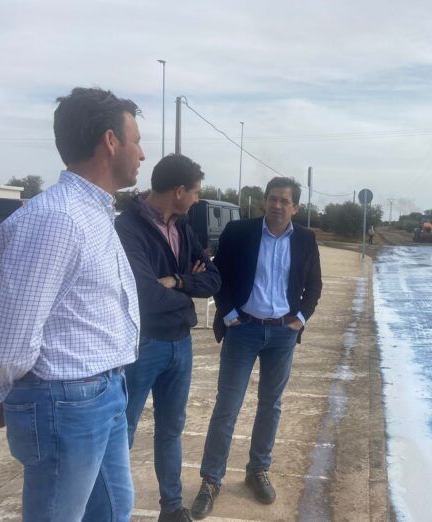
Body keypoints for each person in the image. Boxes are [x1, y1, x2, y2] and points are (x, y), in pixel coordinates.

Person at [0, 87, 144, 521]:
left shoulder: (94, 212)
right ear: (110, 142)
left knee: (114, 510)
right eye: (136, 140)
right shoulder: (56, 218)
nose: (142, 154)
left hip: (103, 392)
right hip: (66, 403)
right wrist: (3, 392)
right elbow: (13, 337)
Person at [190, 177, 322, 519]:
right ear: (265, 201)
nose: (277, 205)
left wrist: (301, 318)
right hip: (243, 330)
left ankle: (257, 470)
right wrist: (229, 311)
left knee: (271, 406)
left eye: (284, 201)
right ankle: (210, 480)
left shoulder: (305, 239)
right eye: (272, 199)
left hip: (282, 336)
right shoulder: (240, 231)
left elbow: (314, 284)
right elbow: (219, 274)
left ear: (296, 207)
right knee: (227, 407)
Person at [115, 154, 221, 522]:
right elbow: (144, 295)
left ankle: (172, 509)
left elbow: (213, 280)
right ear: (178, 191)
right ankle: (111, 511)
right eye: (194, 193)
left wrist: (177, 280)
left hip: (181, 342)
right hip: (142, 345)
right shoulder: (127, 227)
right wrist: (186, 291)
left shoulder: (184, 227)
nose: (196, 199)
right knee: (122, 432)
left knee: (171, 429)